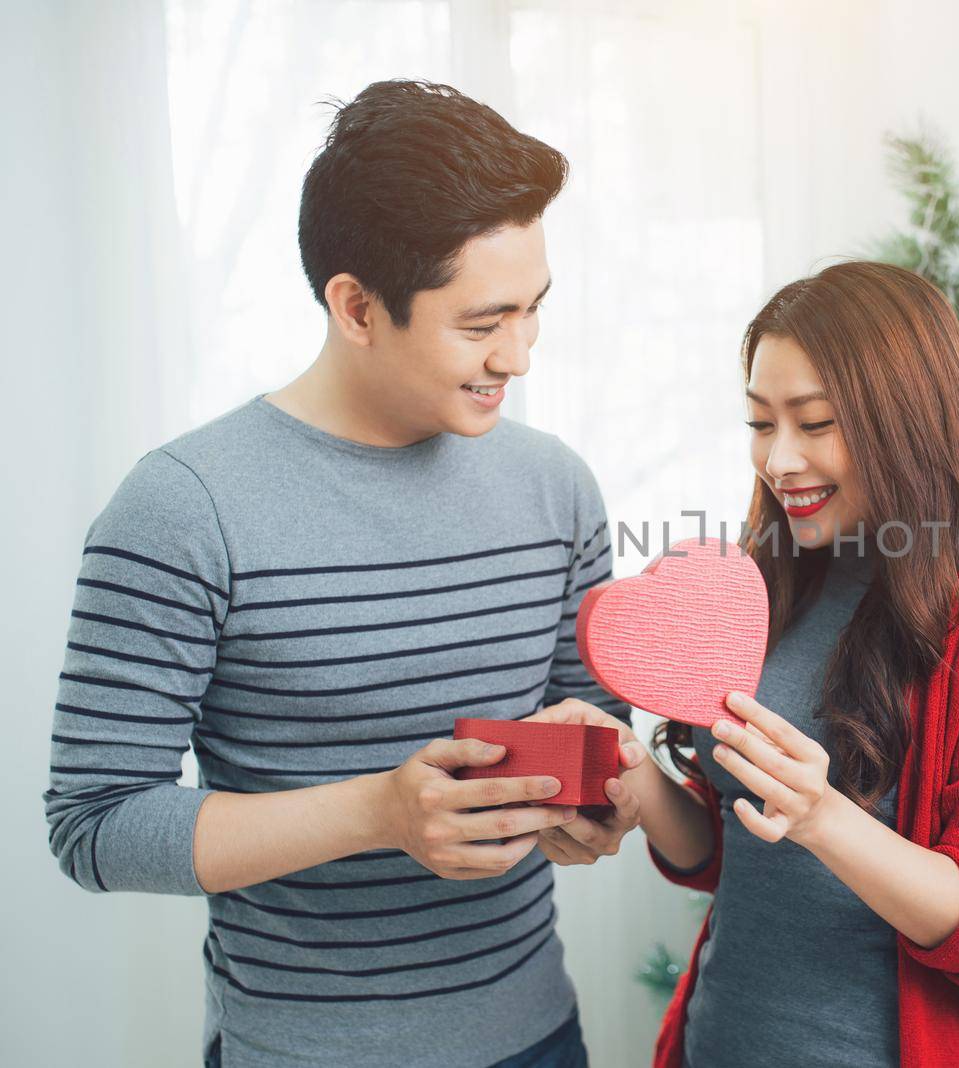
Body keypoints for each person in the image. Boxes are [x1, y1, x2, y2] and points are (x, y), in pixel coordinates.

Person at [42, 79, 642, 1068]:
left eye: (534, 311)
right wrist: (377, 813)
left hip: (538, 1035)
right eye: (483, 322)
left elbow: (587, 726)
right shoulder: (185, 508)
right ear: (357, 306)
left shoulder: (556, 488)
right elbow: (95, 825)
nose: (521, 355)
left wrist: (593, 800)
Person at [532, 261, 959, 1067]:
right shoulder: (768, 581)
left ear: (907, 423)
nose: (779, 460)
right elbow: (733, 856)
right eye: (761, 424)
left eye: (814, 423)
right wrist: (641, 783)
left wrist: (826, 818)